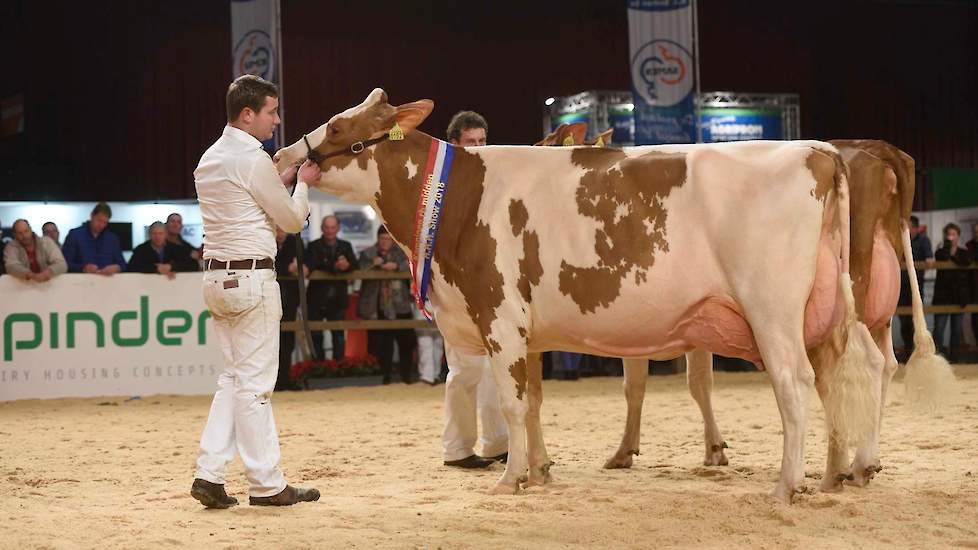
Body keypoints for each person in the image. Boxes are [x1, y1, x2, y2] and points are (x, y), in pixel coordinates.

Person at [190, 74, 320, 509]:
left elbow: (248, 198)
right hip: (251, 281)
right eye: (271, 111)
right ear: (248, 114)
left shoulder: (210, 158)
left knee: (232, 378)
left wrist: (277, 174)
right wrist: (303, 182)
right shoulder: (252, 158)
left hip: (215, 278)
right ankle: (266, 484)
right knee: (256, 386)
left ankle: (209, 473)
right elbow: (292, 220)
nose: (277, 119)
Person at [440, 111, 508, 469]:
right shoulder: (440, 187)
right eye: (471, 142)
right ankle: (457, 449)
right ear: (454, 144)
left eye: (483, 141)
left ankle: (498, 442)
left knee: (498, 365)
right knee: (466, 368)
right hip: (455, 285)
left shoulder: (491, 178)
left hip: (489, 282)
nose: (479, 148)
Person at [357, 225, 416, 384]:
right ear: (378, 238)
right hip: (376, 306)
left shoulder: (401, 253)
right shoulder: (367, 254)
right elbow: (358, 269)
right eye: (383, 238)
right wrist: (373, 264)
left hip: (400, 305)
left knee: (407, 343)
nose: (385, 242)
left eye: (389, 239)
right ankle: (383, 377)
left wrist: (396, 267)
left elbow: (412, 264)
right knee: (381, 345)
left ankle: (407, 376)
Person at [306, 215, 356, 361]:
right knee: (316, 335)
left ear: (338, 228)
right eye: (327, 227)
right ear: (322, 228)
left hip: (338, 298)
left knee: (339, 336)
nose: (329, 231)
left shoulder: (346, 245)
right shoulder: (313, 246)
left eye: (333, 227)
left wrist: (346, 265)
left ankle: (338, 368)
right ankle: (318, 368)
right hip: (316, 298)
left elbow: (355, 264)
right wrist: (335, 266)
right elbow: (314, 263)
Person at [932, 222, 972, 363]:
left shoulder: (964, 252)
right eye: (948, 234)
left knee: (956, 330)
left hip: (958, 296)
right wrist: (947, 247)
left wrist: (954, 257)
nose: (951, 237)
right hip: (942, 296)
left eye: (953, 234)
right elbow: (941, 257)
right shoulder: (940, 251)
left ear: (958, 236)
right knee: (939, 329)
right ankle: (938, 358)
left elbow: (966, 261)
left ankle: (954, 358)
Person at [898, 215, 935, 360]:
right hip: (901, 285)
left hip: (917, 284)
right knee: (903, 319)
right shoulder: (900, 239)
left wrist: (929, 259)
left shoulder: (924, 240)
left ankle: (916, 351)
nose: (906, 230)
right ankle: (908, 350)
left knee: (916, 318)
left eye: (908, 227)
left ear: (915, 228)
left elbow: (930, 259)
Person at [275, 227, 305, 391]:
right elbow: (268, 265)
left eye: (282, 230)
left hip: (290, 299)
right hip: (269, 298)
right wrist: (288, 268)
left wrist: (305, 268)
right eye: (277, 230)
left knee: (287, 342)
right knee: (271, 341)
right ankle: (275, 381)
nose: (280, 233)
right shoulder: (266, 241)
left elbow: (307, 261)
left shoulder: (295, 242)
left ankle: (285, 379)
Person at [61, 202, 127, 275]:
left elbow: (123, 264)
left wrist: (117, 267)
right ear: (92, 216)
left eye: (105, 222)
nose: (101, 225)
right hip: (81, 282)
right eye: (99, 220)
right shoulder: (74, 235)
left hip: (107, 283)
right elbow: (64, 263)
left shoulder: (113, 239)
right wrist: (83, 268)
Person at [128, 221, 200, 276]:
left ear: (165, 234)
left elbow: (192, 265)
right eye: (154, 233)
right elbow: (131, 267)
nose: (157, 237)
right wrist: (156, 269)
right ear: (149, 234)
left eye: (160, 233)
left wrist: (171, 267)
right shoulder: (140, 249)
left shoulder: (175, 248)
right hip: (146, 286)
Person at [964, 223, 978, 350]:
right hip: (974, 288)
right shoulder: (969, 246)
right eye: (976, 232)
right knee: (975, 321)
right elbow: (969, 259)